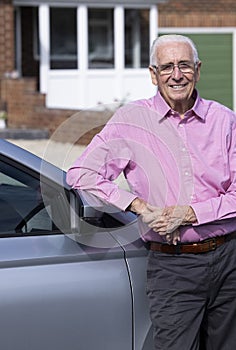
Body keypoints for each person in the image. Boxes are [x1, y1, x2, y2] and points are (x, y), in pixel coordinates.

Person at [66, 34, 236, 349]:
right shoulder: (132, 121)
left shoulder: (224, 120)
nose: (176, 74)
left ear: (197, 71)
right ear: (153, 75)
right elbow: (82, 174)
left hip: (229, 259)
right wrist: (140, 207)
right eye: (167, 66)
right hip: (173, 267)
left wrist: (190, 214)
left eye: (184, 65)